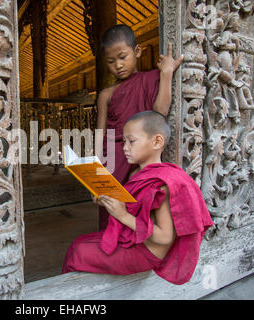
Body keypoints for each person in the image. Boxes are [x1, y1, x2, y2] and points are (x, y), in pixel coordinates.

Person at [63, 111, 214, 285]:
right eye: (124, 142)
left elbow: (165, 237)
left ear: (157, 141)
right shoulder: (138, 173)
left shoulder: (164, 181)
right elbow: (135, 207)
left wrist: (123, 216)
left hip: (147, 253)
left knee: (78, 251)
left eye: (132, 141)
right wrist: (106, 199)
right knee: (80, 242)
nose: (125, 147)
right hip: (135, 240)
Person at [96, 24, 183, 230]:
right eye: (111, 61)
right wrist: (98, 171)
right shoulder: (106, 95)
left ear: (137, 51)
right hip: (112, 163)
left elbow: (159, 113)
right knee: (108, 215)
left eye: (122, 57)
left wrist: (167, 74)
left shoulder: (151, 78)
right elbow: (101, 134)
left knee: (136, 212)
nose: (117, 65)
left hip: (139, 159)